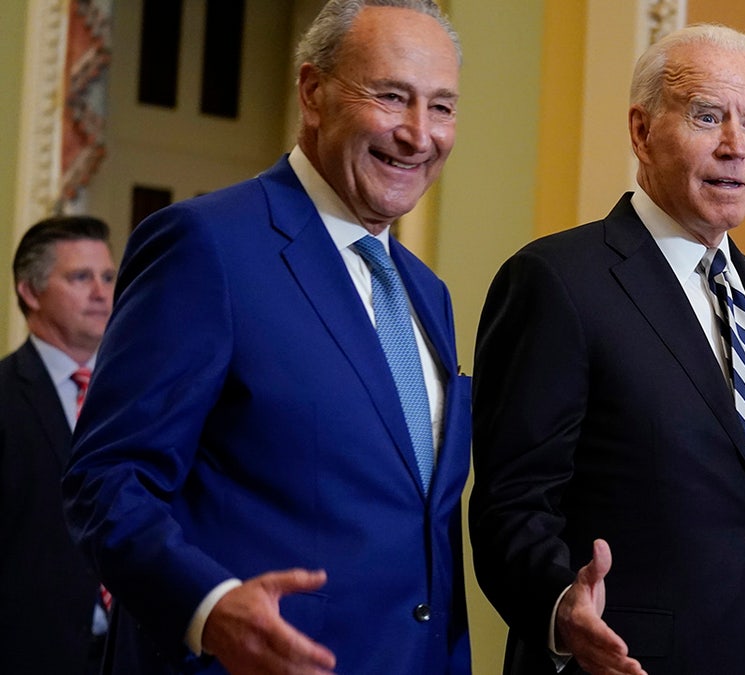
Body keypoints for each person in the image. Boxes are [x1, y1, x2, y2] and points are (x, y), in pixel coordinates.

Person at [61, 1, 471, 673]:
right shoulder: (207, 246)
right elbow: (107, 479)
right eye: (392, 97)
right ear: (313, 93)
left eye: (443, 107)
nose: (418, 133)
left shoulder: (429, 294)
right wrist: (209, 605)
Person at [470, 24, 745, 675]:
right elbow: (513, 503)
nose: (736, 146)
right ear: (641, 131)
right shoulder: (559, 279)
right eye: (708, 117)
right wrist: (562, 604)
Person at [0, 216, 115, 674]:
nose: (102, 293)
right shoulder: (6, 396)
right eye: (80, 277)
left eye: (107, 276)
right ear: (30, 291)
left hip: (128, 654)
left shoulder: (137, 393)